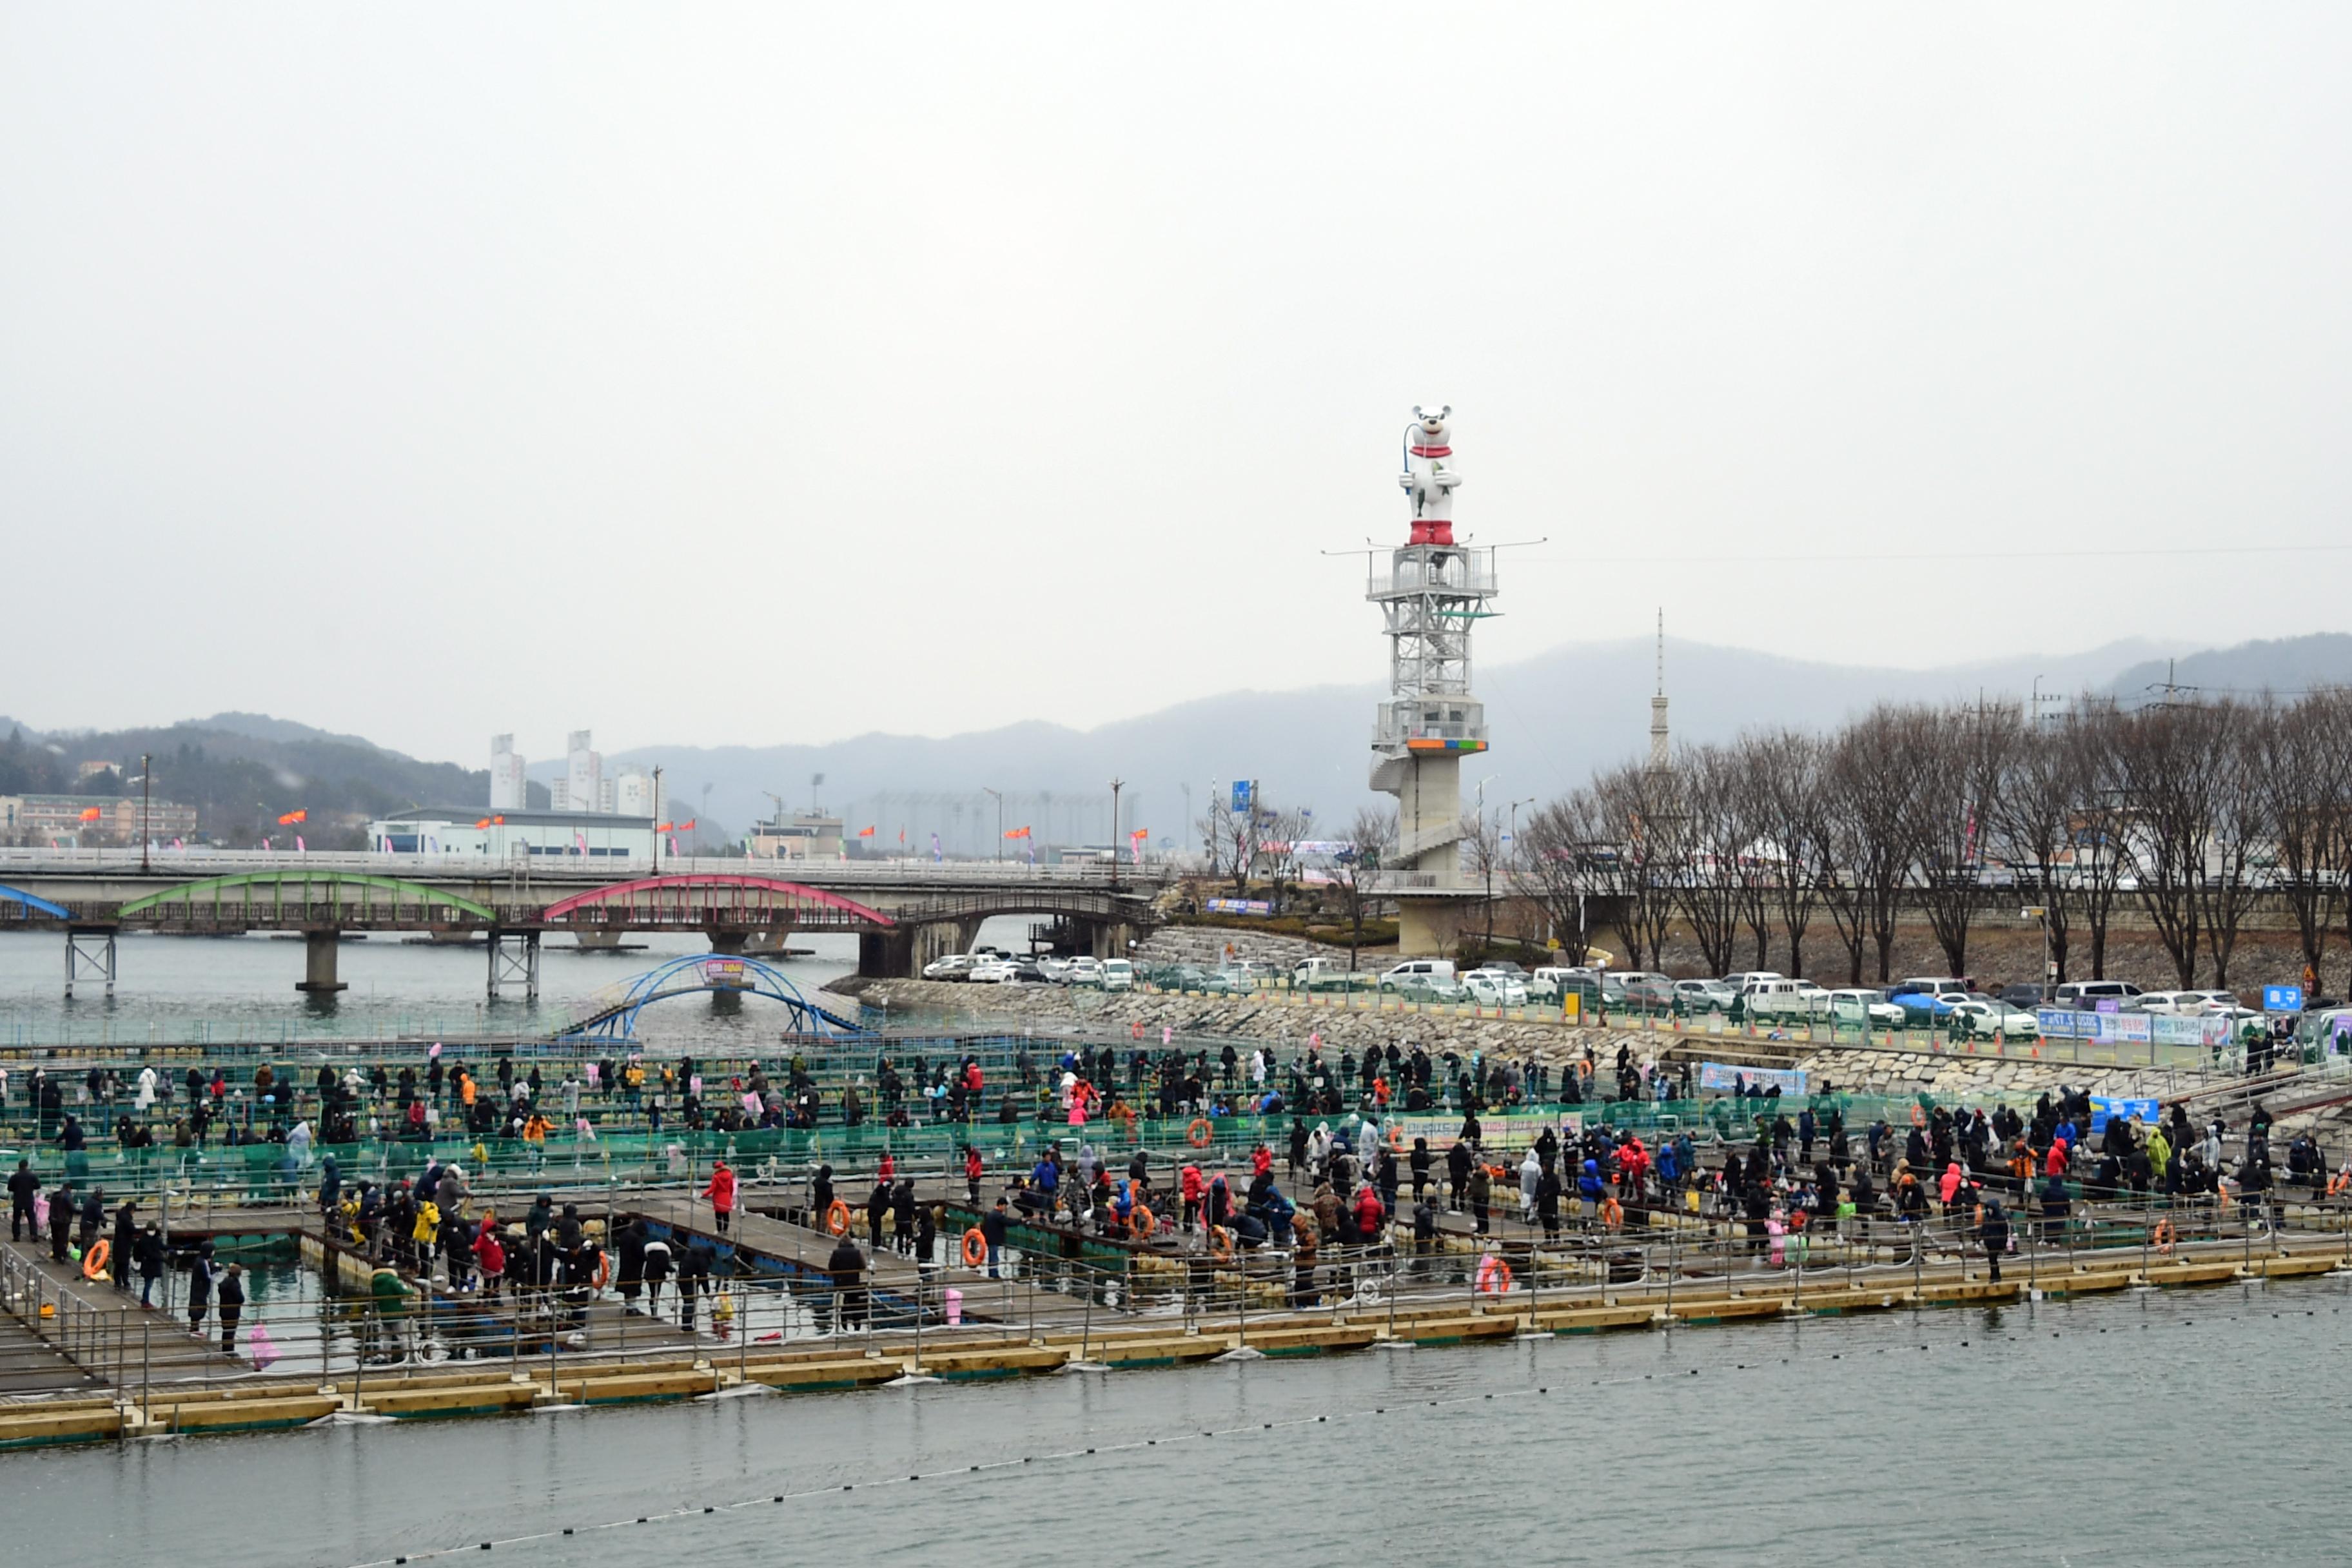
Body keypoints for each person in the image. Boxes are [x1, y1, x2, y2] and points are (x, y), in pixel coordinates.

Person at [827, 1233, 867, 1331]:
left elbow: (831, 1267)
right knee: (855, 1306)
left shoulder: (836, 1253)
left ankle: (844, 1328)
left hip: (840, 1284)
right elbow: (863, 1266)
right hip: (854, 1283)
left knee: (843, 1307)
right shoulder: (857, 1252)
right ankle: (857, 1328)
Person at [186, 1240, 217, 1337]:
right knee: (199, 1308)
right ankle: (195, 1330)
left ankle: (194, 1328)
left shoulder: (200, 1260)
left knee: (196, 1306)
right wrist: (216, 1271)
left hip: (197, 1288)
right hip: (200, 1289)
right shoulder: (202, 1262)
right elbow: (208, 1277)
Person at [702, 1159, 737, 1235]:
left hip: (718, 1197)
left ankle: (719, 1230)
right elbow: (732, 1187)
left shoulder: (716, 1176)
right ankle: (725, 1230)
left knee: (718, 1215)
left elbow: (712, 1188)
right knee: (726, 1215)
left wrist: (704, 1194)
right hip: (727, 1196)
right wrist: (730, 1196)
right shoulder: (729, 1175)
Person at [133, 1224, 164, 1308]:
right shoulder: (155, 1239)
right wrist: (162, 1258)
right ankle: (145, 1301)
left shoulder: (143, 1239)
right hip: (151, 1265)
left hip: (146, 1264)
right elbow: (153, 1252)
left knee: (148, 1283)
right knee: (149, 1283)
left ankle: (145, 1300)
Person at [217, 1264, 245, 1353]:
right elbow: (240, 1298)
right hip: (233, 1312)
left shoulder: (224, 1282)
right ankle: (229, 1351)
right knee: (231, 1332)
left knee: (226, 1331)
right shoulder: (235, 1284)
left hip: (223, 1311)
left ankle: (225, 1349)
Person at [979, 1199, 1010, 1279]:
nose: (1005, 1208)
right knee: (994, 1257)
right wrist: (1020, 1221)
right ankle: (994, 1274)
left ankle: (991, 1272)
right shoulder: (998, 1216)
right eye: (1004, 1206)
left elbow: (984, 1226)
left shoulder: (990, 1214)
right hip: (994, 1239)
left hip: (989, 1238)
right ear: (1001, 1205)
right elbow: (1008, 1222)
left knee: (991, 1257)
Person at [7, 1159, 35, 1242]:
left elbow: (9, 1188)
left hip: (18, 1200)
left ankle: (16, 1236)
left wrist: (16, 1189)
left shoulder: (15, 1176)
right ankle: (33, 1235)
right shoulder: (32, 1176)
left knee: (16, 1219)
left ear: (19, 1166)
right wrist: (31, 1188)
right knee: (32, 1219)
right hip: (29, 1199)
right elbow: (38, 1185)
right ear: (27, 1166)